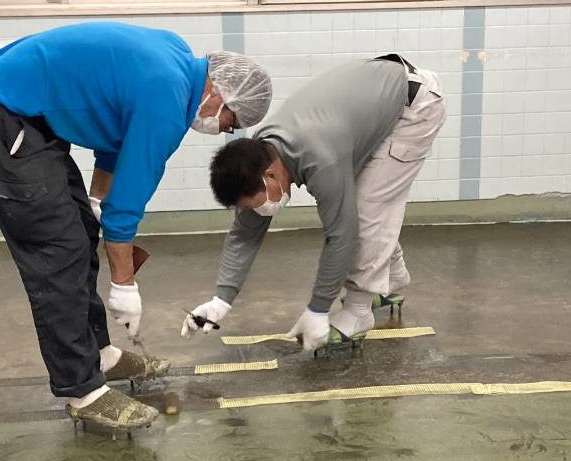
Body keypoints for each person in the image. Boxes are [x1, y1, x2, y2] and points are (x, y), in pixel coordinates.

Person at [0, 22, 271, 431]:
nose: (225, 130)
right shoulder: (167, 101)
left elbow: (116, 136)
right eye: (231, 122)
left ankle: (99, 354)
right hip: (3, 108)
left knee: (80, 232)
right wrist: (125, 286)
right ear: (219, 93)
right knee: (58, 251)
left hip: (28, 110)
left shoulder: (177, 58)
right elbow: (125, 210)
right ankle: (80, 389)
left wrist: (93, 200)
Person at [182, 54, 445, 352]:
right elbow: (244, 234)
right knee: (362, 205)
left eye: (255, 204)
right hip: (379, 101)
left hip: (414, 107)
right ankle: (392, 280)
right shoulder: (260, 154)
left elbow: (342, 235)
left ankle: (358, 313)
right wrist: (221, 301)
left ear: (270, 175)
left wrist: (319, 308)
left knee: (366, 210)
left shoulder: (320, 159)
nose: (258, 212)